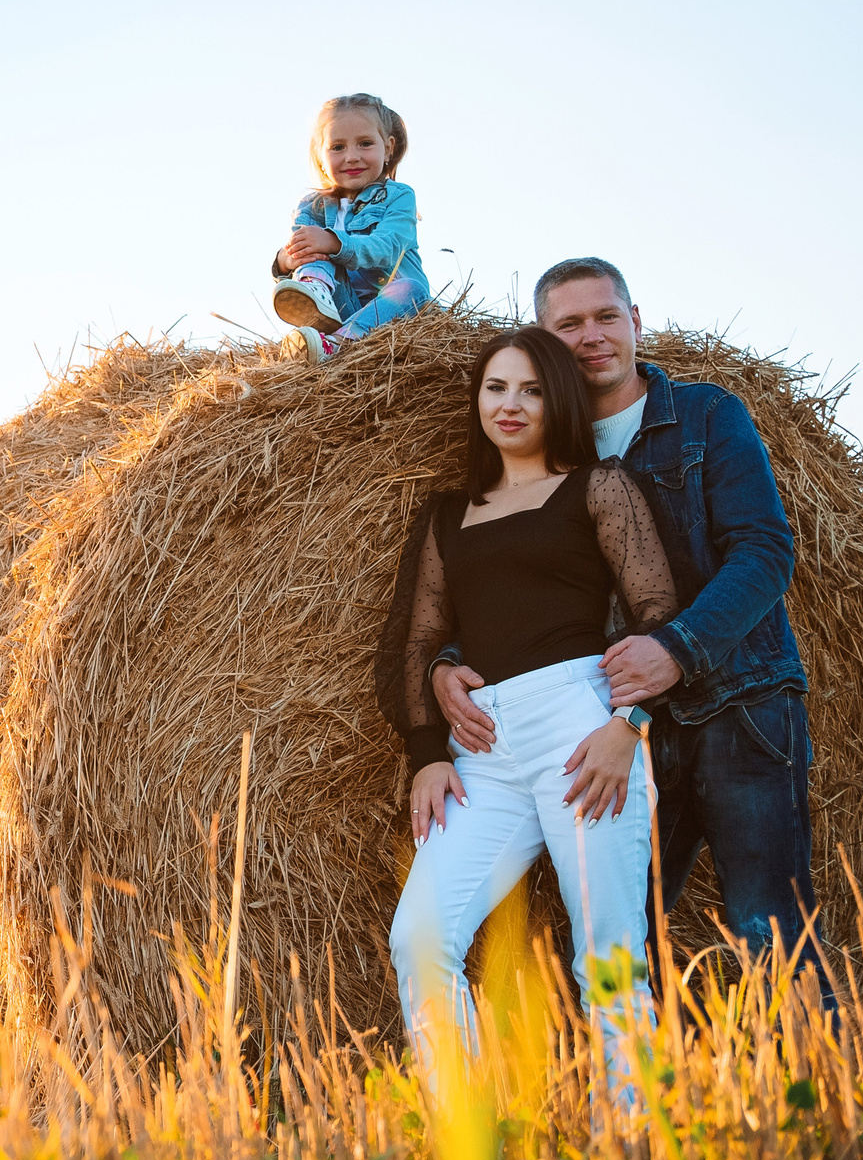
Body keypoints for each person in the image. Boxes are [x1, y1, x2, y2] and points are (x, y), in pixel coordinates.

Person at [432, 257, 823, 989]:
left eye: (606, 316)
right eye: (568, 324)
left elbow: (765, 552)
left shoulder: (707, 415)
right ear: (546, 340)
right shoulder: (552, 455)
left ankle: (816, 1100)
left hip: (739, 706)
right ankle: (653, 1093)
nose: (592, 336)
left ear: (635, 321)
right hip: (615, 733)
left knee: (769, 927)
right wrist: (448, 660)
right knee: (618, 940)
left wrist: (677, 649)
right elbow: (521, 583)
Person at [382, 327, 679, 1099]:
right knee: (419, 937)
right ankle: (472, 1134)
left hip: (581, 729)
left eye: (532, 389)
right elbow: (420, 634)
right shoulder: (451, 514)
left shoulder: (599, 487)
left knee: (609, 960)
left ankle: (640, 1152)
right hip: (482, 748)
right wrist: (427, 751)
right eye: (496, 388)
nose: (510, 404)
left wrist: (629, 728)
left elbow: (656, 614)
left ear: (560, 401)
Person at [269, 92, 432, 361]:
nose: (352, 156)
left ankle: (335, 344)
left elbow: (388, 248)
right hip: (337, 305)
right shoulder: (312, 205)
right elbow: (301, 250)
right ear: (321, 156)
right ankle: (315, 291)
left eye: (365, 144)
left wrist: (335, 243)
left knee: (413, 289)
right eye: (338, 147)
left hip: (392, 311)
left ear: (388, 147)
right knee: (312, 246)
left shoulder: (399, 196)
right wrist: (285, 261)